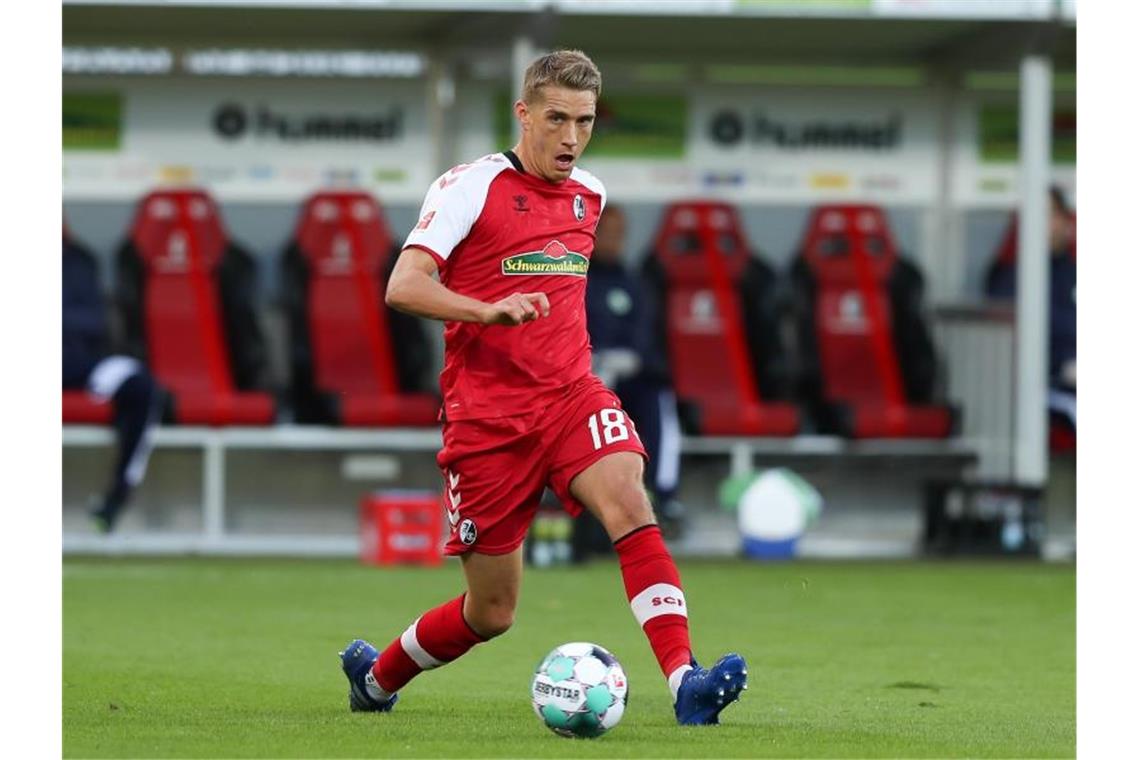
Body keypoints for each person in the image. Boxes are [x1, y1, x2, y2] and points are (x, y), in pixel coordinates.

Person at [340, 49, 747, 726]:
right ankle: (376, 679)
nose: (570, 137)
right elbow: (403, 286)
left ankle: (686, 685)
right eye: (556, 118)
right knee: (491, 612)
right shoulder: (470, 186)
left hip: (570, 397)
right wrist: (487, 309)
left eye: (584, 121)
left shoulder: (591, 194)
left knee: (628, 500)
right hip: (488, 420)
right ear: (522, 113)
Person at [585, 204, 685, 540]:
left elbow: (646, 341)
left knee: (659, 396)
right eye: (606, 233)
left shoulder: (636, 283)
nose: (613, 241)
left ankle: (664, 497)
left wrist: (631, 360)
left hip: (632, 379)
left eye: (618, 234)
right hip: (586, 379)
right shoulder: (575, 281)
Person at [63, 232, 163, 532]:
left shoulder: (80, 261)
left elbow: (94, 320)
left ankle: (116, 497)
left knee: (139, 384)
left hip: (78, 363)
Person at [985, 186, 1076, 432]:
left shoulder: (1074, 273)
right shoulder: (1011, 279)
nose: (1046, 224)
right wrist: (1064, 365)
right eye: (1037, 215)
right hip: (1041, 389)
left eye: (1051, 214)